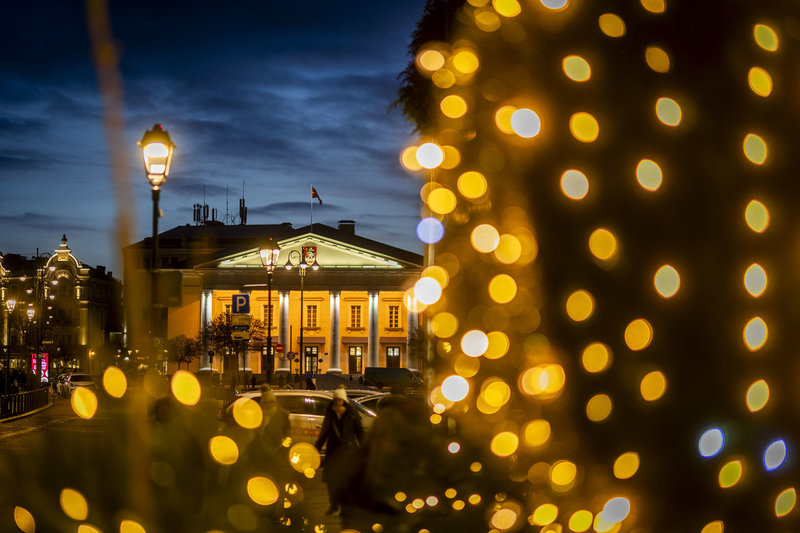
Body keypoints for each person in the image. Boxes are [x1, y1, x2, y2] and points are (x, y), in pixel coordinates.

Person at [314, 386, 364, 516]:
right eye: (336, 400)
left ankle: (345, 507)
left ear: (344, 400)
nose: (338, 402)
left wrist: (364, 449)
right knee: (332, 480)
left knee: (346, 481)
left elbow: (359, 433)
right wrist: (315, 449)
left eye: (340, 400)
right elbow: (324, 433)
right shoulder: (330, 414)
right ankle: (334, 504)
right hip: (334, 451)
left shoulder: (352, 415)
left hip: (349, 452)